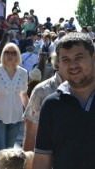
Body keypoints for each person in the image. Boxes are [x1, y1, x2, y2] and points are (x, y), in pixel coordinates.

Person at [32, 33, 95, 169]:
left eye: (79, 57)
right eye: (65, 59)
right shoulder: (51, 105)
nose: (72, 65)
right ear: (58, 64)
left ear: (93, 57)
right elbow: (42, 159)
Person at [0, 43, 29, 152]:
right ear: (2, 54)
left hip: (16, 118)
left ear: (17, 56)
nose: (10, 55)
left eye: (13, 53)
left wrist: (30, 113)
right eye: (7, 52)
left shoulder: (23, 73)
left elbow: (24, 95)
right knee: (0, 153)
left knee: (9, 154)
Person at [22, 53, 64, 151]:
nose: (73, 64)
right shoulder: (42, 90)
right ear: (57, 61)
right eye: (66, 59)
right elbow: (31, 132)